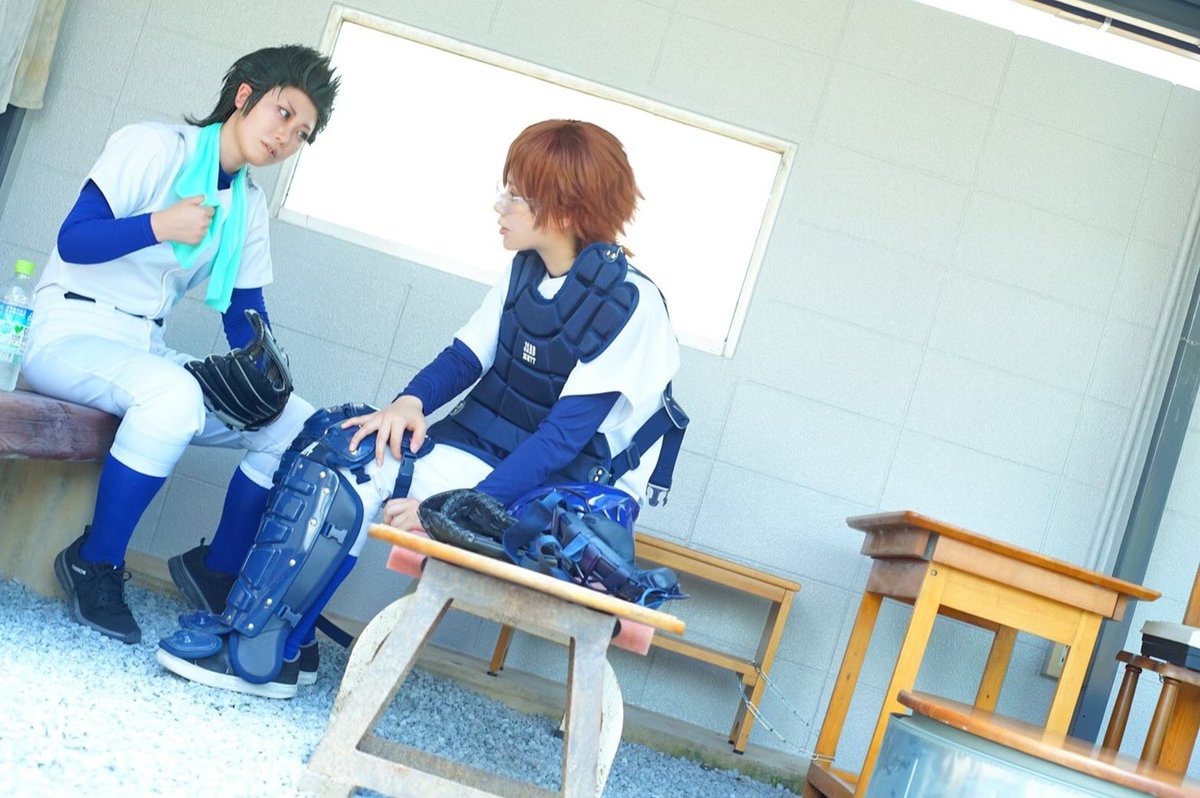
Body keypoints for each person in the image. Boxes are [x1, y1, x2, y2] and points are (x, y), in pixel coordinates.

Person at [155, 119, 687, 698]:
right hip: (495, 458)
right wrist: (407, 403)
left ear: (562, 210)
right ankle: (282, 645)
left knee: (359, 466)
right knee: (345, 447)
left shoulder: (630, 304)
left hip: (570, 500)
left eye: (515, 195)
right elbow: (466, 356)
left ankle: (256, 655)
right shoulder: (528, 269)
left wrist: (459, 509)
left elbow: (562, 440)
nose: (499, 205)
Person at [21, 45, 340, 648]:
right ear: (244, 96)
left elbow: (244, 313)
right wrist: (159, 225)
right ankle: (95, 561)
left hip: (143, 345)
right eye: (283, 114)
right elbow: (73, 240)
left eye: (302, 133)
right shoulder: (153, 146)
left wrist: (268, 379)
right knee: (171, 397)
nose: (286, 138)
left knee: (294, 424)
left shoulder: (247, 203)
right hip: (70, 330)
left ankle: (215, 570)